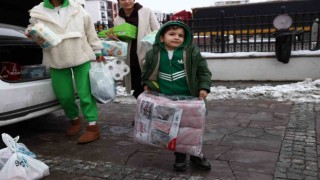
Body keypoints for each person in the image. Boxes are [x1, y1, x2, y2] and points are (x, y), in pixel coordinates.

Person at [26, 0, 105, 144]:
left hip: (81, 53)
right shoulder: (37, 12)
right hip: (55, 56)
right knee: (64, 95)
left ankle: (93, 127)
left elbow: (90, 31)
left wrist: (97, 50)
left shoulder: (77, 8)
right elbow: (33, 29)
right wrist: (31, 33)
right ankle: (74, 120)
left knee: (85, 92)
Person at [141, 21, 212, 171]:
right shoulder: (154, 53)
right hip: (166, 100)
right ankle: (179, 156)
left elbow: (203, 71)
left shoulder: (191, 52)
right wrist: (147, 83)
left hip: (190, 99)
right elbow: (147, 71)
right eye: (172, 34)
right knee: (174, 129)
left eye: (181, 35)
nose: (177, 38)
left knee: (193, 128)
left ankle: (196, 155)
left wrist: (203, 87)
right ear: (161, 37)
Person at [108, 0, 160, 98]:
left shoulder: (146, 11)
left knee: (151, 84)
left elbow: (157, 31)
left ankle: (152, 108)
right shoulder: (117, 19)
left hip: (147, 53)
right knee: (137, 87)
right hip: (131, 57)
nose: (127, 1)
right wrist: (115, 38)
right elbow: (121, 41)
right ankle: (144, 107)